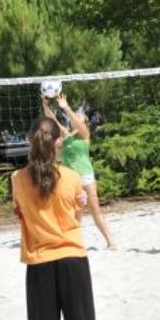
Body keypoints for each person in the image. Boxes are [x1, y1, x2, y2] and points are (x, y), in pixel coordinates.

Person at [12, 117, 98, 320]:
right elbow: (75, 221)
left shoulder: (17, 180)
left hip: (39, 263)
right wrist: (79, 205)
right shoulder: (72, 178)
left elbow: (22, 215)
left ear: (29, 141)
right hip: (72, 259)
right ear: (58, 142)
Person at [42, 94, 116, 249]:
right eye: (76, 115)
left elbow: (75, 121)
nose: (77, 116)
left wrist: (66, 107)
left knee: (95, 211)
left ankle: (110, 241)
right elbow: (52, 120)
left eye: (80, 115)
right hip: (71, 180)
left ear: (85, 122)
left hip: (86, 177)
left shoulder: (85, 134)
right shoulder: (67, 136)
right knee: (75, 214)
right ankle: (74, 242)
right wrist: (45, 104)